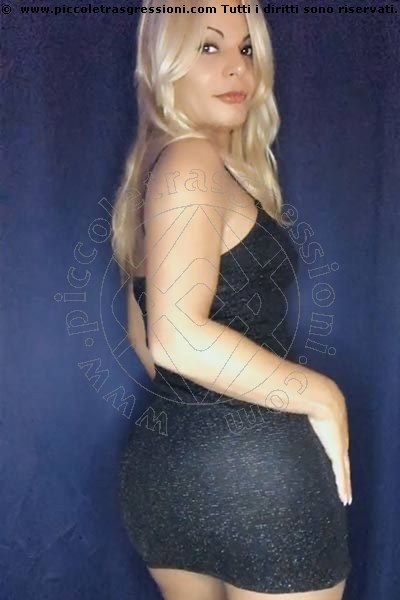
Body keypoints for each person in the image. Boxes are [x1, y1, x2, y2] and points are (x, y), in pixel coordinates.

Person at [111, 0, 353, 598]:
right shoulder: (192, 160)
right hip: (260, 479)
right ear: (165, 62)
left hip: (163, 474)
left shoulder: (152, 170)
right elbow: (174, 338)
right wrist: (322, 396)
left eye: (246, 49)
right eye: (209, 46)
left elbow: (144, 340)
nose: (237, 67)